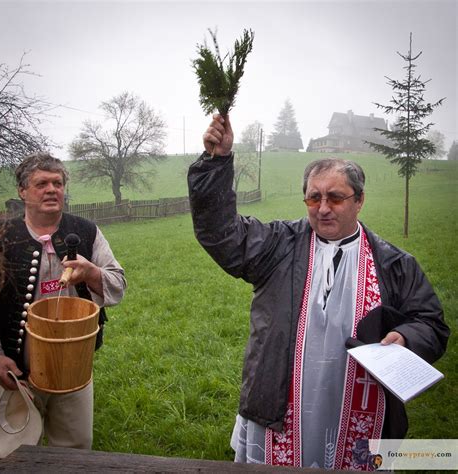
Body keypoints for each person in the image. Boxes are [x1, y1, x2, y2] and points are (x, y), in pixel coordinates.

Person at [187, 114, 449, 470]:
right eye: (314, 198)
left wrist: (405, 337)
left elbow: (431, 323)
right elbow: (221, 233)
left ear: (359, 200)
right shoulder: (277, 245)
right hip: (281, 407)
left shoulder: (394, 263)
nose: (323, 208)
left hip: (360, 411)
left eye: (335, 198)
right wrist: (216, 164)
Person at [0, 152, 126, 450]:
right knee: (16, 454)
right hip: (16, 372)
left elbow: (118, 285)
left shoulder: (87, 232)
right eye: (42, 184)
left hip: (74, 370)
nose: (52, 190)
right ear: (23, 191)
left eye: (58, 183)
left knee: (74, 452)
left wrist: (92, 273)